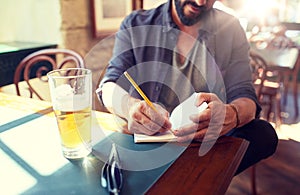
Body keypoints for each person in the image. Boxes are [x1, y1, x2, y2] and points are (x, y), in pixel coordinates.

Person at [97, 0, 278, 174]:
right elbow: (108, 87)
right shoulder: (135, 24)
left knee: (263, 134)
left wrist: (232, 114)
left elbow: (245, 95)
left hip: (202, 143)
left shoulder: (230, 28)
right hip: (150, 141)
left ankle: (190, 176)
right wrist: (130, 107)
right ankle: (195, 178)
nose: (200, 2)